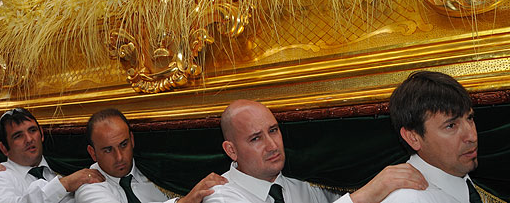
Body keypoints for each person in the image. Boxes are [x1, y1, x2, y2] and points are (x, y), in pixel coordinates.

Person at [204, 100, 428, 203]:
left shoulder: (307, 183)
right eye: (255, 138)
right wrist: (365, 195)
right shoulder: (221, 197)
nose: (272, 145)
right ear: (231, 150)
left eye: (273, 131)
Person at [75, 108, 227, 203]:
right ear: (92, 153)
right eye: (108, 150)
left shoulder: (154, 169)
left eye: (123, 145)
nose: (120, 157)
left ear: (132, 140)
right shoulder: (88, 188)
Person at [382, 71, 487, 202]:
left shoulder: (464, 183)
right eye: (451, 126)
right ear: (413, 138)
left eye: (470, 118)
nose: (472, 136)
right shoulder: (409, 198)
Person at [0, 108, 104, 203]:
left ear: (42, 135)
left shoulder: (63, 167)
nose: (29, 139)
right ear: (4, 148)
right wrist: (63, 185)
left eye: (32, 131)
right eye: (18, 136)